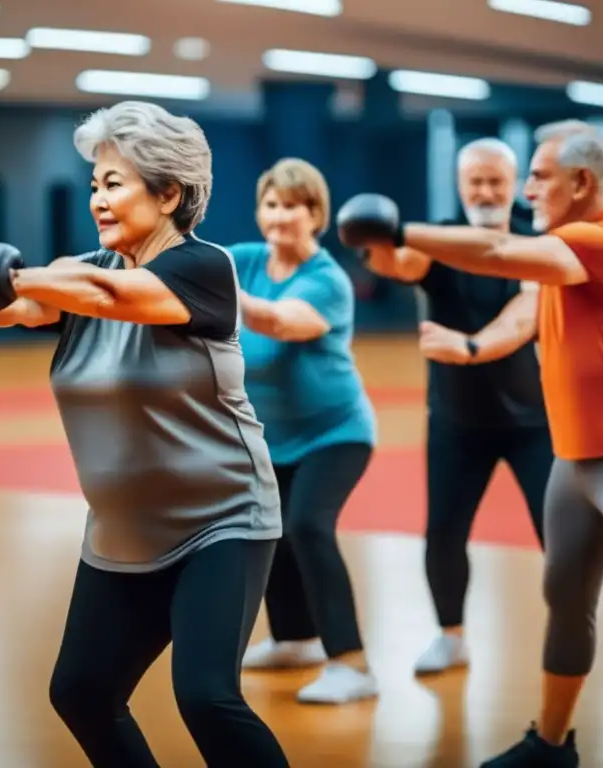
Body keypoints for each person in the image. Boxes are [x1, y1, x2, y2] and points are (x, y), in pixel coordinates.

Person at [335, 120, 603, 768]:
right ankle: (552, 746)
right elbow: (505, 279)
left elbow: (498, 256)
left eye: (539, 175)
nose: (527, 189)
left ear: (582, 182)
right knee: (564, 603)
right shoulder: (558, 250)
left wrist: (399, 230)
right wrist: (393, 256)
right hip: (573, 462)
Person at [0, 100, 289, 768]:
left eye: (113, 183)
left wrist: (11, 278)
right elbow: (23, 308)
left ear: (169, 192)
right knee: (83, 691)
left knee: (207, 696)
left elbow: (111, 297)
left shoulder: (204, 271)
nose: (97, 198)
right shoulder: (83, 271)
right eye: (93, 184)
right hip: (123, 533)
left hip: (223, 521)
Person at [360, 138, 550, 676]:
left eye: (496, 182)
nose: (487, 192)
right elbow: (398, 264)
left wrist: (469, 348)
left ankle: (568, 627)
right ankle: (450, 636)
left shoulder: (535, 243)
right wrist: (372, 242)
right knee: (443, 531)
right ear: (460, 184)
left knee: (559, 535)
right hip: (456, 421)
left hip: (533, 422)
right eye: (476, 182)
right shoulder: (439, 239)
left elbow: (525, 314)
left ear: (513, 184)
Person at [231, 158, 378, 705]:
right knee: (270, 530)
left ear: (315, 214)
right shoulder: (243, 261)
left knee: (309, 527)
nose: (280, 215)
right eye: (271, 203)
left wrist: (221, 293)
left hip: (335, 433)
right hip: (273, 438)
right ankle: (294, 640)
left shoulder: (328, 280)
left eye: (293, 205)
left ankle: (353, 665)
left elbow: (279, 322)